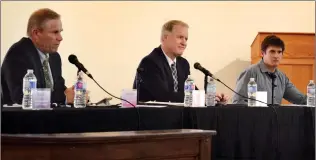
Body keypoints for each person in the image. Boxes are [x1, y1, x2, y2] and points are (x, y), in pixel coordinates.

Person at [133, 20, 229, 104]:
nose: (184, 43)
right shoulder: (150, 63)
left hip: (177, 119)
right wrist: (200, 98)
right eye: (180, 37)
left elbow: (190, 92)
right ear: (164, 38)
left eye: (186, 39)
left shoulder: (183, 64)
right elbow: (164, 96)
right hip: (153, 121)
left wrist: (211, 98)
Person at [1, 8, 82, 105]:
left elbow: (58, 90)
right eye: (55, 32)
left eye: (60, 32)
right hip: (19, 118)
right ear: (36, 34)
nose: (60, 38)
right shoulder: (19, 53)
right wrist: (64, 97)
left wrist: (74, 94)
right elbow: (23, 97)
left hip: (48, 117)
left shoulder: (54, 57)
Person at [232, 35, 307, 105]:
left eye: (279, 52)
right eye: (272, 51)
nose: (276, 56)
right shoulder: (251, 72)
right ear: (262, 53)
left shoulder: (282, 77)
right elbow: (238, 101)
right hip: (255, 118)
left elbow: (301, 99)